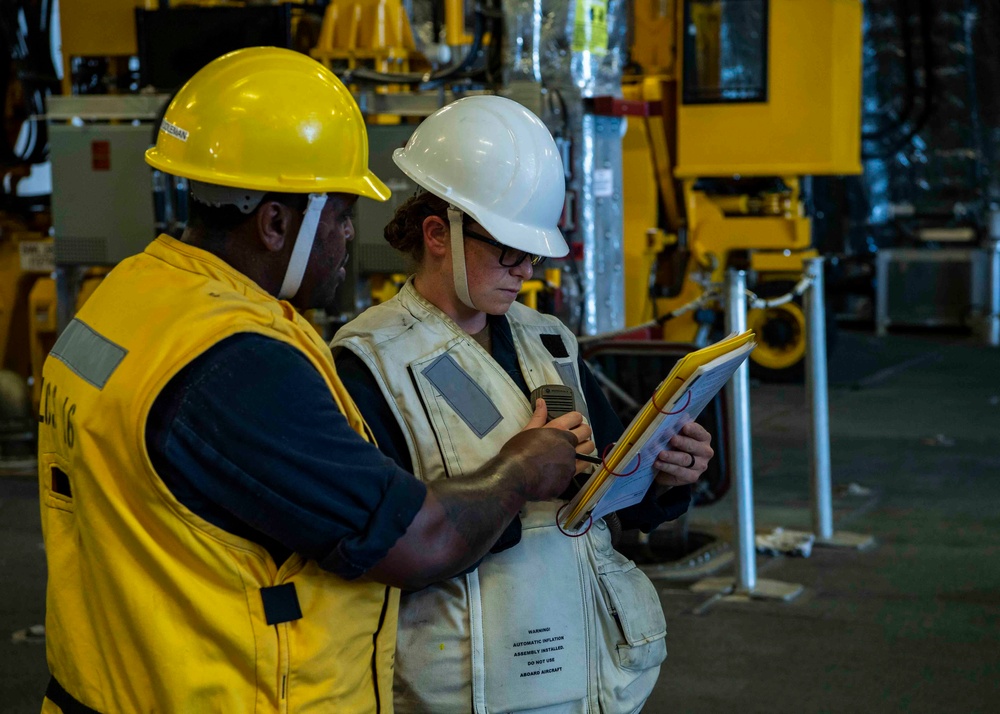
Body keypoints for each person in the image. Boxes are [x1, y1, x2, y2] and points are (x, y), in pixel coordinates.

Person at [36, 49, 586, 713]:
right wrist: (521, 471)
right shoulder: (234, 365)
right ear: (275, 224)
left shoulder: (125, 301)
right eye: (340, 215)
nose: (350, 238)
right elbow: (414, 540)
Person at [332, 95, 715, 714]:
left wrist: (662, 473)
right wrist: (517, 475)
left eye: (533, 255)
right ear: (437, 233)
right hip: (470, 683)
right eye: (508, 252)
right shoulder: (372, 363)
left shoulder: (547, 339)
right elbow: (386, 544)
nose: (525, 271)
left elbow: (608, 489)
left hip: (584, 671)